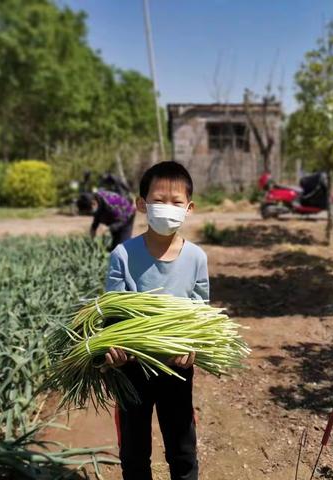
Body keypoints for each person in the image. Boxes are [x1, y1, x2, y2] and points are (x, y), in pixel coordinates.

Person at [104, 161, 209, 480]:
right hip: (132, 370)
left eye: (176, 202)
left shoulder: (196, 258)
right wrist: (114, 347)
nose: (167, 207)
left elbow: (202, 313)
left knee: (182, 450)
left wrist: (193, 346)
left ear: (189, 208)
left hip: (176, 367)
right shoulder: (122, 254)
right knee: (134, 452)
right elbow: (113, 312)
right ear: (141, 204)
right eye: (158, 200)